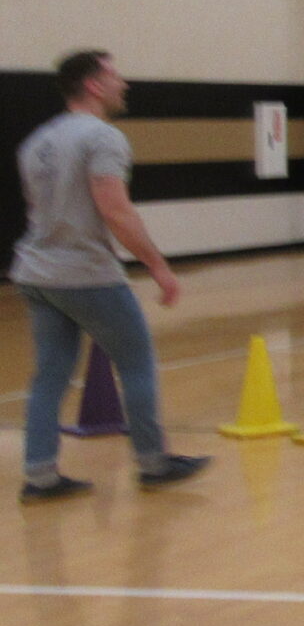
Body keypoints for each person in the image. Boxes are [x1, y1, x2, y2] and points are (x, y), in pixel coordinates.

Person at [12, 50, 208, 502]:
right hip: (87, 274)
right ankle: (153, 462)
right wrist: (158, 266)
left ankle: (39, 474)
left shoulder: (36, 141)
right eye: (116, 76)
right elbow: (114, 209)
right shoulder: (103, 138)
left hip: (36, 272)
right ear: (94, 85)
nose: (125, 84)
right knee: (136, 363)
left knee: (50, 376)